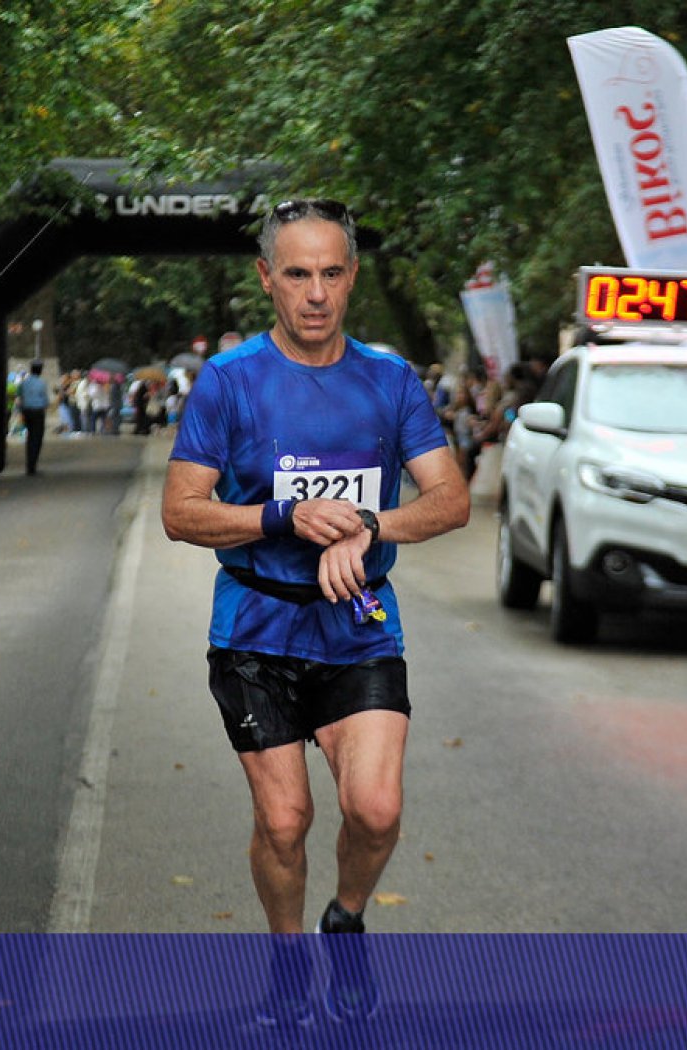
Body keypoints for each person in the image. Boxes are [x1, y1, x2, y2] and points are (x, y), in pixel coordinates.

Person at [160, 198, 469, 1024]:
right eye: (298, 274)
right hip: (255, 627)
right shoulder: (230, 382)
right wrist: (282, 517)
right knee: (285, 820)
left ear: (353, 276)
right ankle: (290, 964)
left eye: (332, 273)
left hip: (358, 621)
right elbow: (180, 512)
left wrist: (370, 525)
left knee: (375, 808)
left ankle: (347, 919)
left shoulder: (389, 380)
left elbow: (450, 500)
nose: (317, 293)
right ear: (267, 278)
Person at [17, 360, 50, 475]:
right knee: (37, 438)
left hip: (27, 411)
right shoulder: (41, 383)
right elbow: (45, 400)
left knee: (30, 437)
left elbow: (19, 397)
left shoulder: (24, 383)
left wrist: (21, 411)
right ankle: (33, 465)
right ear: (40, 370)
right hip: (38, 412)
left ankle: (29, 465)